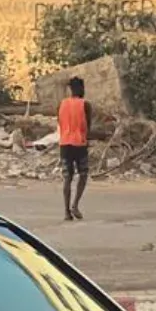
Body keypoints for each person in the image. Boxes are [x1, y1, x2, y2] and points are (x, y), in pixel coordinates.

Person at [58, 77, 92, 222]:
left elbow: (60, 122)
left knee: (67, 177)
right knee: (83, 174)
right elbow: (88, 127)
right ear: (81, 88)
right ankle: (75, 205)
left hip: (64, 143)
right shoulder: (86, 105)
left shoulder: (62, 104)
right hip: (79, 143)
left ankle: (66, 211)